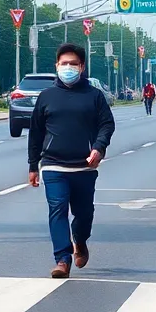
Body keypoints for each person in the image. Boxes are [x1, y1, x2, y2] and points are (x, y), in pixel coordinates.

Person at [28, 43, 116, 279]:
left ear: (82, 67)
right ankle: (62, 259)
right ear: (57, 66)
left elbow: (107, 124)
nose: (68, 67)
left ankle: (80, 239)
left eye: (73, 64)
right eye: (64, 63)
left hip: (84, 166)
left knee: (84, 213)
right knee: (57, 210)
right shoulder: (47, 97)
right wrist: (32, 165)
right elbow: (35, 132)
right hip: (53, 165)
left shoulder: (94, 96)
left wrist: (99, 148)